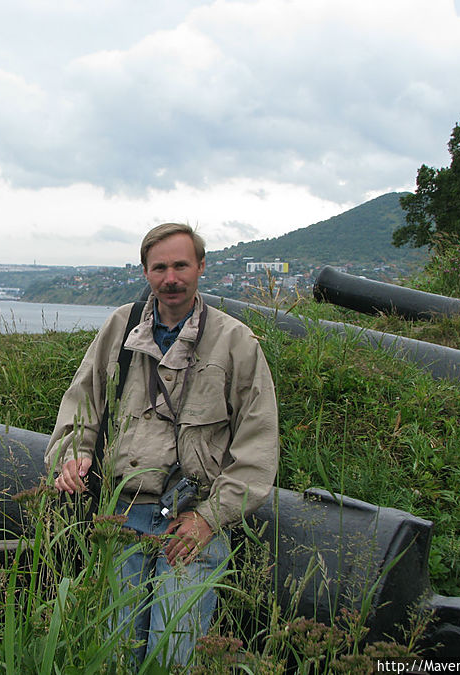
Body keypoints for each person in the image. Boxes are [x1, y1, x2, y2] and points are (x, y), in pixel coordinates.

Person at [45, 223, 279, 666]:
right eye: (160, 268)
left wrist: (211, 519)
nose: (171, 278)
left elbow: (258, 446)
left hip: (191, 520)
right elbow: (82, 403)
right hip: (122, 514)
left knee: (172, 656)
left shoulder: (235, 342)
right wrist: (74, 453)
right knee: (117, 654)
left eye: (180, 265)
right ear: (146, 272)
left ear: (201, 267)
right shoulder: (121, 327)